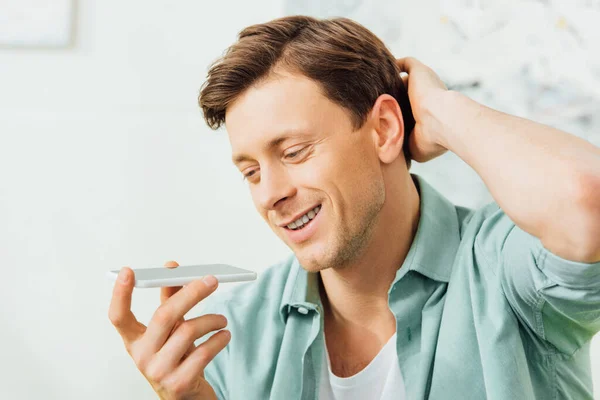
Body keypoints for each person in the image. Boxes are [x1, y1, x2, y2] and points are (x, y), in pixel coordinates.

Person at [108, 15, 600, 399]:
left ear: (384, 129)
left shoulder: (506, 273)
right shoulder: (235, 333)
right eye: (251, 172)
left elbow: (589, 201)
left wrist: (441, 113)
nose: (268, 194)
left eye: (294, 152)